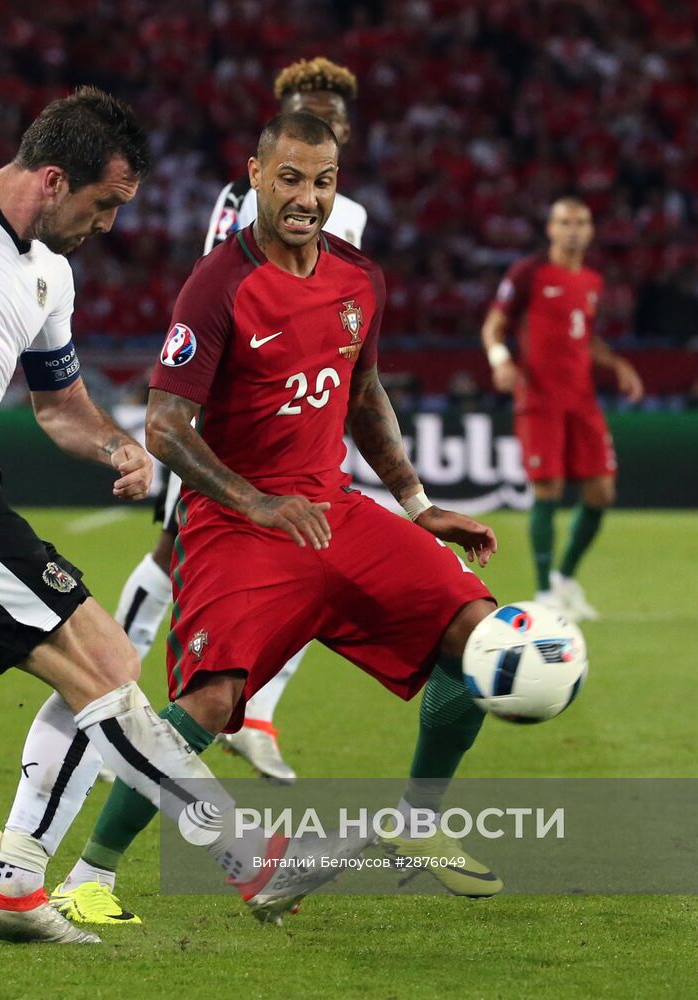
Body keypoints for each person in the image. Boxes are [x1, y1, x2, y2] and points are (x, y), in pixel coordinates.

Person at [0, 88, 345, 946]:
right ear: (51, 178)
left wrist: (118, 448)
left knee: (109, 658)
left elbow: (59, 407)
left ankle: (11, 886)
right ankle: (244, 856)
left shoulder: (50, 273)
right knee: (100, 676)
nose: (107, 224)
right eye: (103, 204)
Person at [52, 112, 506, 927]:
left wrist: (415, 504)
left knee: (480, 634)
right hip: (237, 522)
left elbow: (364, 396)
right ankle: (90, 876)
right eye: (290, 178)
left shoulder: (358, 277)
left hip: (335, 511)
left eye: (323, 181)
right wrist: (255, 501)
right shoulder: (218, 284)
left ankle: (419, 821)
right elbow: (163, 427)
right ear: (254, 176)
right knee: (212, 701)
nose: (306, 197)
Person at [115, 57, 368, 786]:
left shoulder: (344, 208)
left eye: (332, 119)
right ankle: (119, 685)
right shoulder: (243, 194)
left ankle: (252, 717)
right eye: (305, 111)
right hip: (233, 404)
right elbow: (224, 280)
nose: (320, 126)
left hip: (305, 403)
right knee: (178, 547)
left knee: (305, 558)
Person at [482, 197, 644, 620]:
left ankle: (565, 579)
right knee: (548, 489)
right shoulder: (528, 273)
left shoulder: (591, 280)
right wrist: (501, 361)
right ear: (551, 228)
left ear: (590, 231)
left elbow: (585, 339)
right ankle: (543, 592)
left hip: (582, 400)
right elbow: (493, 326)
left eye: (582, 223)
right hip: (539, 399)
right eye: (565, 222)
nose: (574, 229)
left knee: (601, 490)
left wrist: (619, 365)